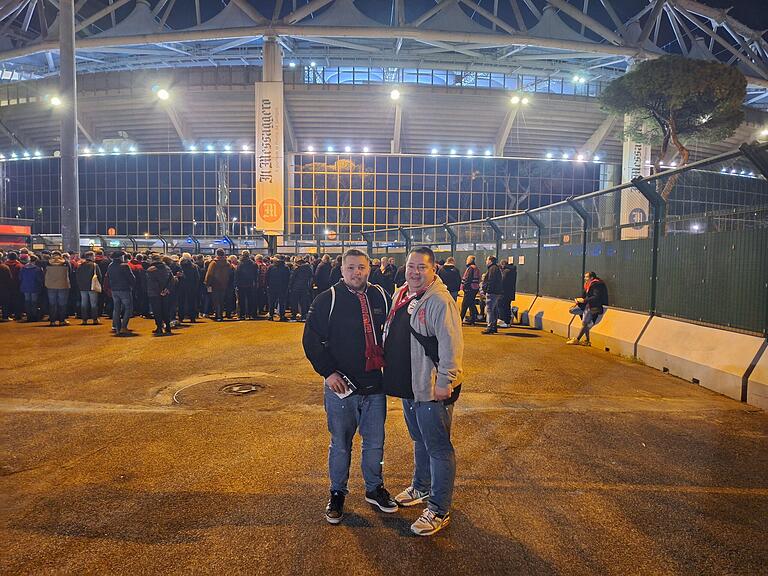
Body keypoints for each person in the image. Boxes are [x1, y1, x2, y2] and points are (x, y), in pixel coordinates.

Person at [302, 248, 396, 525]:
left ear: (369, 269)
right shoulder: (327, 299)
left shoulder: (380, 295)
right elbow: (311, 340)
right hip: (341, 386)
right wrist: (328, 373)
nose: (357, 273)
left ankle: (374, 487)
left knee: (375, 442)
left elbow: (392, 333)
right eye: (351, 268)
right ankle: (337, 492)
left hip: (374, 384)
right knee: (340, 444)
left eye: (362, 268)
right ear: (342, 271)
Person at [383, 247, 464, 536]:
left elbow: (451, 345)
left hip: (431, 388)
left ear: (434, 270)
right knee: (419, 439)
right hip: (410, 384)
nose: (414, 272)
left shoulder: (440, 301)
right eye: (411, 266)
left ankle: (439, 509)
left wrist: (446, 381)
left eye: (421, 267)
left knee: (439, 448)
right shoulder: (404, 293)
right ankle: (421, 486)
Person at [567, 271, 609, 346]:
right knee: (572, 310)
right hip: (587, 305)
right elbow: (583, 295)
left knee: (584, 323)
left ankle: (577, 339)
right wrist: (577, 300)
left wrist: (584, 300)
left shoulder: (597, 284)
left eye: (586, 277)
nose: (584, 278)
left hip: (594, 306)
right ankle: (587, 340)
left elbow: (596, 297)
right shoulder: (587, 284)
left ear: (591, 278)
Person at [106, 251, 136, 336]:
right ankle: (124, 326)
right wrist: (132, 285)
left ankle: (117, 328)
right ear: (120, 257)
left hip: (114, 290)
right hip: (124, 289)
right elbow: (132, 278)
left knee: (116, 309)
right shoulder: (125, 266)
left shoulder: (110, 266)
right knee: (128, 308)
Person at [146, 254, 176, 336]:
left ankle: (159, 327)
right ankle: (168, 326)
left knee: (157, 311)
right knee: (165, 310)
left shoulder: (150, 270)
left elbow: (152, 283)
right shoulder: (167, 268)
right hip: (166, 293)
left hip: (154, 293)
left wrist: (159, 291)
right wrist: (166, 289)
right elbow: (172, 280)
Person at [75, 251, 103, 325]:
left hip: (82, 287)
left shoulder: (80, 265)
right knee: (93, 303)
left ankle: (84, 319)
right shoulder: (94, 265)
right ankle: (94, 319)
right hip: (92, 286)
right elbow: (99, 276)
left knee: (84, 303)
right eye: (93, 256)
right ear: (90, 257)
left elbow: (77, 276)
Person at [204, 248, 233, 322]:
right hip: (224, 284)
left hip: (215, 284)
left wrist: (207, 283)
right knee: (221, 300)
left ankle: (218, 314)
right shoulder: (227, 263)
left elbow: (209, 273)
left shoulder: (213, 263)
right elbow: (230, 274)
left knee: (215, 300)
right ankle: (220, 314)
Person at [44, 251, 71, 326]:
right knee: (62, 304)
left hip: (50, 285)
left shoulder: (47, 263)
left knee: (52, 304)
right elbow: (70, 273)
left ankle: (52, 321)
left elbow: (45, 274)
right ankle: (62, 320)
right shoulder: (66, 263)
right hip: (63, 285)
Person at [481, 256, 503, 335]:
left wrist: (487, 290)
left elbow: (491, 281)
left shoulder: (492, 269)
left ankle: (489, 327)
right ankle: (493, 327)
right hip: (496, 292)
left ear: (490, 261)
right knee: (494, 310)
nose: (486, 261)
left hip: (492, 292)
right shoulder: (496, 268)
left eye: (487, 260)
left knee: (489, 309)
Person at [19, 255, 44, 322]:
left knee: (27, 302)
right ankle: (34, 316)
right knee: (34, 302)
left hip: (25, 287)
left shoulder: (23, 268)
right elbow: (40, 279)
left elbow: (20, 278)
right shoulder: (37, 269)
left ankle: (29, 316)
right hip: (34, 287)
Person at [288, 256, 313, 321]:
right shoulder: (309, 268)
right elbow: (311, 277)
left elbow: (292, 278)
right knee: (303, 303)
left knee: (294, 302)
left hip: (295, 288)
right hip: (305, 288)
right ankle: (303, 317)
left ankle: (294, 317)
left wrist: (290, 287)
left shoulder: (297, 269)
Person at [178, 253, 201, 322]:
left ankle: (181, 317)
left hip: (181, 287)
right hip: (192, 287)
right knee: (192, 302)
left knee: (181, 302)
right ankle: (192, 317)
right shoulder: (194, 266)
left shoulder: (180, 266)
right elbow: (197, 278)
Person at [266, 256, 290, 321]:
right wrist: (287, 286)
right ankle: (282, 316)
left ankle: (271, 316)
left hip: (272, 287)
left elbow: (267, 276)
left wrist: (268, 285)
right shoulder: (285, 267)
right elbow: (288, 278)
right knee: (282, 302)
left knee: (271, 302)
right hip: (282, 287)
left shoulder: (271, 267)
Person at [459, 255, 480, 325]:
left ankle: (460, 320)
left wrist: (465, 288)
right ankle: (472, 320)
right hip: (474, 288)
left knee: (464, 305)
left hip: (469, 289)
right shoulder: (476, 268)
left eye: (467, 259)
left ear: (470, 260)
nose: (466, 260)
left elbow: (468, 279)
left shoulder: (470, 268)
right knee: (471, 304)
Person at [498, 258, 518, 328]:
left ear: (503, 264)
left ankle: (503, 321)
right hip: (510, 292)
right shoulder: (513, 270)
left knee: (501, 307)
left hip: (503, 292)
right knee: (507, 307)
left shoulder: (506, 271)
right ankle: (507, 322)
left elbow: (502, 281)